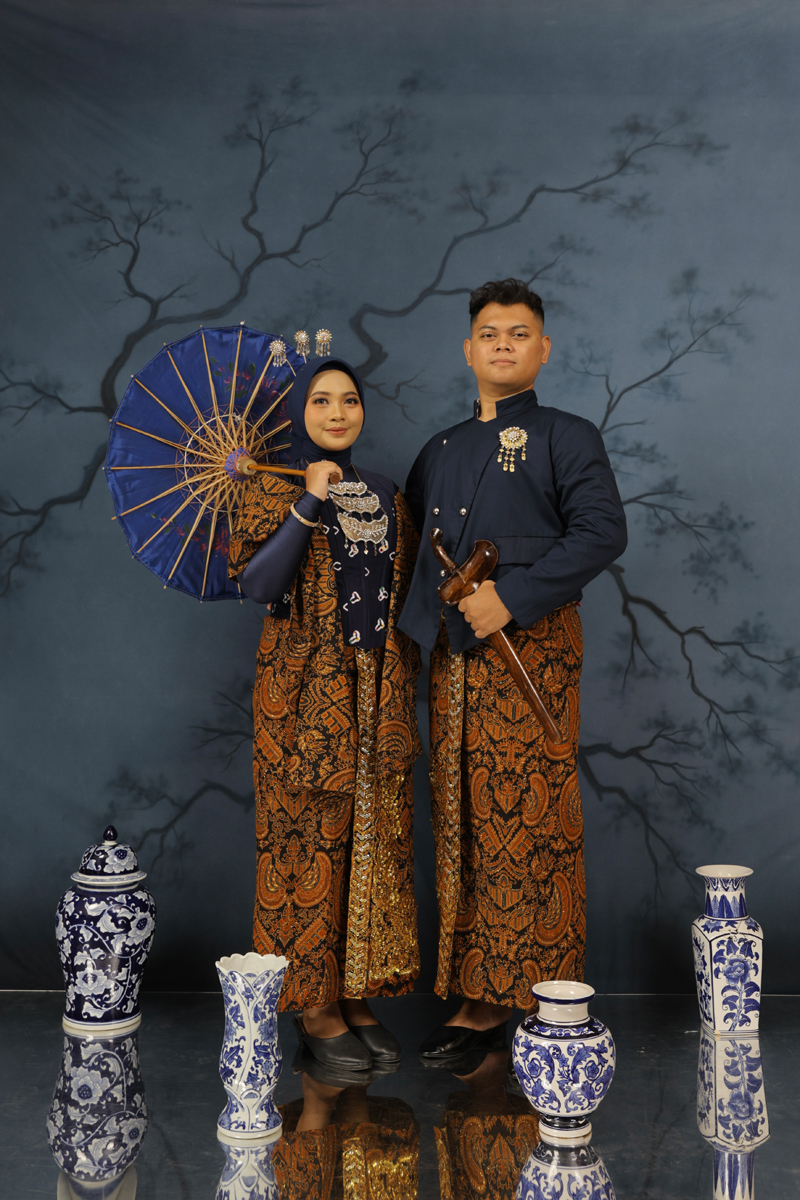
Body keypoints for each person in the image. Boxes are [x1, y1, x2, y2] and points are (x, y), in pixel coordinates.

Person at [398, 279, 627, 1060]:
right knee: (461, 823)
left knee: (528, 824)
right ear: (468, 350)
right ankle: (473, 990)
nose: (503, 343)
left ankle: (526, 997)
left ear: (543, 349)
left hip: (530, 658)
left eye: (519, 332)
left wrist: (514, 598)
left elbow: (602, 532)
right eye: (489, 333)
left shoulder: (568, 435)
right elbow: (413, 552)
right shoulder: (438, 450)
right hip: (452, 665)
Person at [228, 355, 421, 1072]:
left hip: (377, 687)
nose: (337, 413)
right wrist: (308, 501)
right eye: (320, 401)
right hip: (304, 689)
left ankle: (356, 992)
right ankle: (314, 1005)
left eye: (348, 400)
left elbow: (406, 589)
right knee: (305, 841)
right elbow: (258, 585)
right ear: (297, 413)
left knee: (374, 836)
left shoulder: (387, 492)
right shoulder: (268, 486)